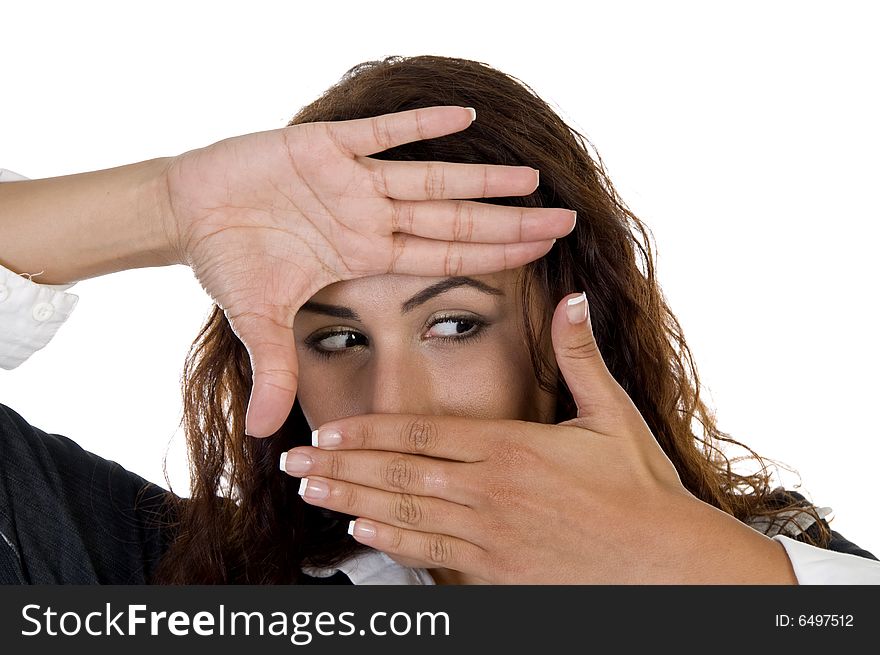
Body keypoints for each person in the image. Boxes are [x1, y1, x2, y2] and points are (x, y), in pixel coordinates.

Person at [1, 55, 878, 584]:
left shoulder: (774, 577)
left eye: (455, 324)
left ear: (569, 326)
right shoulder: (163, 582)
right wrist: (162, 205)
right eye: (337, 338)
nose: (392, 403)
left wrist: (701, 573)